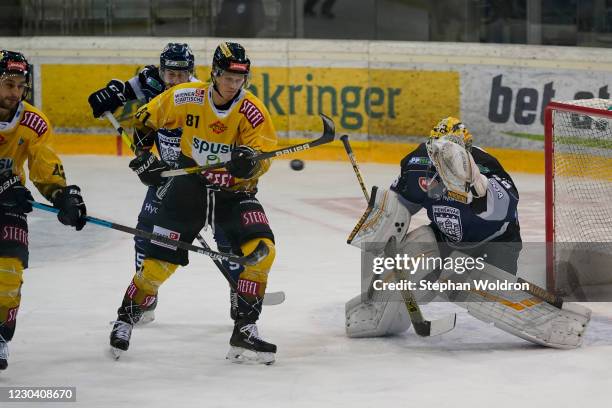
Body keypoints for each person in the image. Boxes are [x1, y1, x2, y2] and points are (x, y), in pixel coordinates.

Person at [345, 117, 589, 348]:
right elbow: (400, 206)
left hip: (495, 243)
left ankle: (553, 321)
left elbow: (504, 209)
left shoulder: (487, 166)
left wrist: (478, 188)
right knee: (414, 249)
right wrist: (384, 234)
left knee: (478, 288)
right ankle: (377, 310)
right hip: (445, 239)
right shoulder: (416, 165)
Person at [109, 42, 279, 364]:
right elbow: (144, 121)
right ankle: (125, 318)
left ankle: (245, 329)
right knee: (158, 263)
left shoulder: (252, 111)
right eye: (228, 77)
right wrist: (146, 159)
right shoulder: (185, 95)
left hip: (235, 193)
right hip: (190, 188)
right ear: (214, 73)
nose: (233, 84)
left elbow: (264, 155)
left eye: (239, 78)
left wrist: (252, 163)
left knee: (262, 252)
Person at [88, 43, 197, 325]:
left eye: (180, 74)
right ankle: (144, 300)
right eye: (169, 74)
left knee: (225, 236)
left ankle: (242, 300)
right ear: (161, 71)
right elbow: (120, 91)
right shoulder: (149, 80)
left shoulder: (199, 94)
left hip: (199, 176)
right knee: (145, 233)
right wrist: (107, 96)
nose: (173, 80)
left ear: (191, 73)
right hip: (163, 173)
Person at [0, 50, 87, 370]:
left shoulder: (33, 123)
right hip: (7, 193)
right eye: (8, 83)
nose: (14, 92)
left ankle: (0, 336)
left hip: (9, 203)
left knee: (9, 271)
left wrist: (63, 196)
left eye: (20, 85)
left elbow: (44, 167)